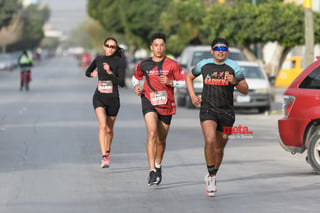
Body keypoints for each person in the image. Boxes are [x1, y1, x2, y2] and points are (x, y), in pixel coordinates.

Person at [185, 38, 249, 197]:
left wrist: (234, 81)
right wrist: (193, 96)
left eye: (224, 48)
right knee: (210, 140)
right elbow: (189, 77)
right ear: (212, 51)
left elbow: (245, 89)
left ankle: (212, 175)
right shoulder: (204, 64)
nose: (220, 51)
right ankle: (211, 177)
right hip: (208, 109)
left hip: (227, 112)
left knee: (219, 148)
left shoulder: (233, 66)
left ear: (227, 51)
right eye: (217, 48)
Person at [132, 32, 186, 186]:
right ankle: (151, 171)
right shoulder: (144, 64)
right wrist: (136, 86)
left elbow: (183, 81)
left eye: (162, 45)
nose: (159, 48)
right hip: (149, 100)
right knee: (152, 133)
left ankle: (158, 166)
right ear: (151, 47)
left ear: (165, 47)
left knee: (161, 140)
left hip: (166, 104)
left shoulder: (172, 64)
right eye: (156, 45)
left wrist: (171, 82)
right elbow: (136, 77)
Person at [85, 37, 126, 168]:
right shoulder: (98, 60)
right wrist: (92, 74)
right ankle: (104, 157)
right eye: (108, 45)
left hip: (113, 100)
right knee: (102, 126)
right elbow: (87, 71)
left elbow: (122, 83)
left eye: (113, 47)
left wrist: (109, 72)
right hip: (99, 97)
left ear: (115, 48)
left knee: (109, 129)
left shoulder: (119, 62)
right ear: (104, 46)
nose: (110, 48)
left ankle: (108, 151)